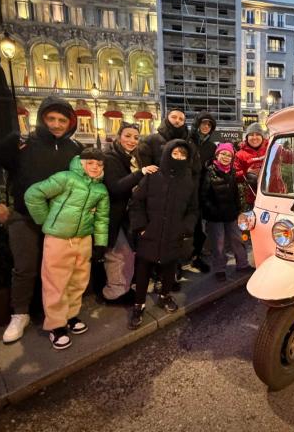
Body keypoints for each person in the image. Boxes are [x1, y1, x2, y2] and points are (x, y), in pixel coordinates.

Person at [0, 96, 82, 344]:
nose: (56, 124)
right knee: (25, 267)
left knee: (59, 271)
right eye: (51, 118)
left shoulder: (74, 150)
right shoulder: (19, 143)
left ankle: (60, 314)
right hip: (24, 218)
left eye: (62, 120)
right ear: (41, 118)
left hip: (60, 222)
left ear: (70, 123)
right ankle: (20, 314)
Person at [24, 148, 110, 350]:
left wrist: (100, 243)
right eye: (91, 163)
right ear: (82, 163)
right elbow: (33, 194)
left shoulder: (101, 190)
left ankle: (71, 316)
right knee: (56, 282)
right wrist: (46, 221)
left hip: (83, 240)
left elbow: (102, 219)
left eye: (99, 164)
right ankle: (56, 325)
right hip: (58, 240)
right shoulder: (66, 178)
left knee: (78, 281)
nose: (96, 167)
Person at [128, 140, 198, 328]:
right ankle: (138, 304)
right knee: (143, 269)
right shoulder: (154, 176)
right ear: (168, 153)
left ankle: (164, 296)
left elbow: (193, 209)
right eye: (175, 153)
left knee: (169, 268)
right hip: (150, 231)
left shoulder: (188, 180)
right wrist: (141, 226)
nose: (179, 157)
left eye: (183, 155)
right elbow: (136, 202)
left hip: (173, 233)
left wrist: (185, 228)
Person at [101, 123, 154, 303]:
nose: (132, 140)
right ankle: (114, 294)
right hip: (114, 213)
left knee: (127, 253)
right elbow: (116, 187)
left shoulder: (132, 156)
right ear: (118, 136)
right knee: (117, 254)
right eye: (128, 136)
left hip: (129, 214)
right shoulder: (110, 157)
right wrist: (141, 173)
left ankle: (122, 288)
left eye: (136, 137)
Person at [200, 143, 254, 281]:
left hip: (231, 214)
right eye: (223, 154)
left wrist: (237, 210)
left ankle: (242, 264)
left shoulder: (231, 172)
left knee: (237, 238)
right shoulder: (209, 171)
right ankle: (220, 269)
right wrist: (212, 210)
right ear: (217, 155)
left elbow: (235, 193)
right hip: (215, 216)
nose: (226, 157)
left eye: (229, 155)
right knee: (218, 243)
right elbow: (203, 196)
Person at [188, 111, 218, 273]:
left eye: (209, 125)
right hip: (186, 189)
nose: (206, 127)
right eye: (203, 123)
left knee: (199, 226)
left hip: (201, 191)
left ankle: (196, 256)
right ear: (197, 124)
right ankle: (176, 263)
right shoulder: (188, 141)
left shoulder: (211, 146)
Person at [235, 123, 269, 209]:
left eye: (257, 134)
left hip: (273, 195)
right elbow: (234, 175)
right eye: (251, 135)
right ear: (246, 137)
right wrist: (246, 173)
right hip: (251, 199)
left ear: (262, 136)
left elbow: (288, 157)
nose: (254, 138)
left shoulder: (271, 148)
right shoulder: (240, 155)